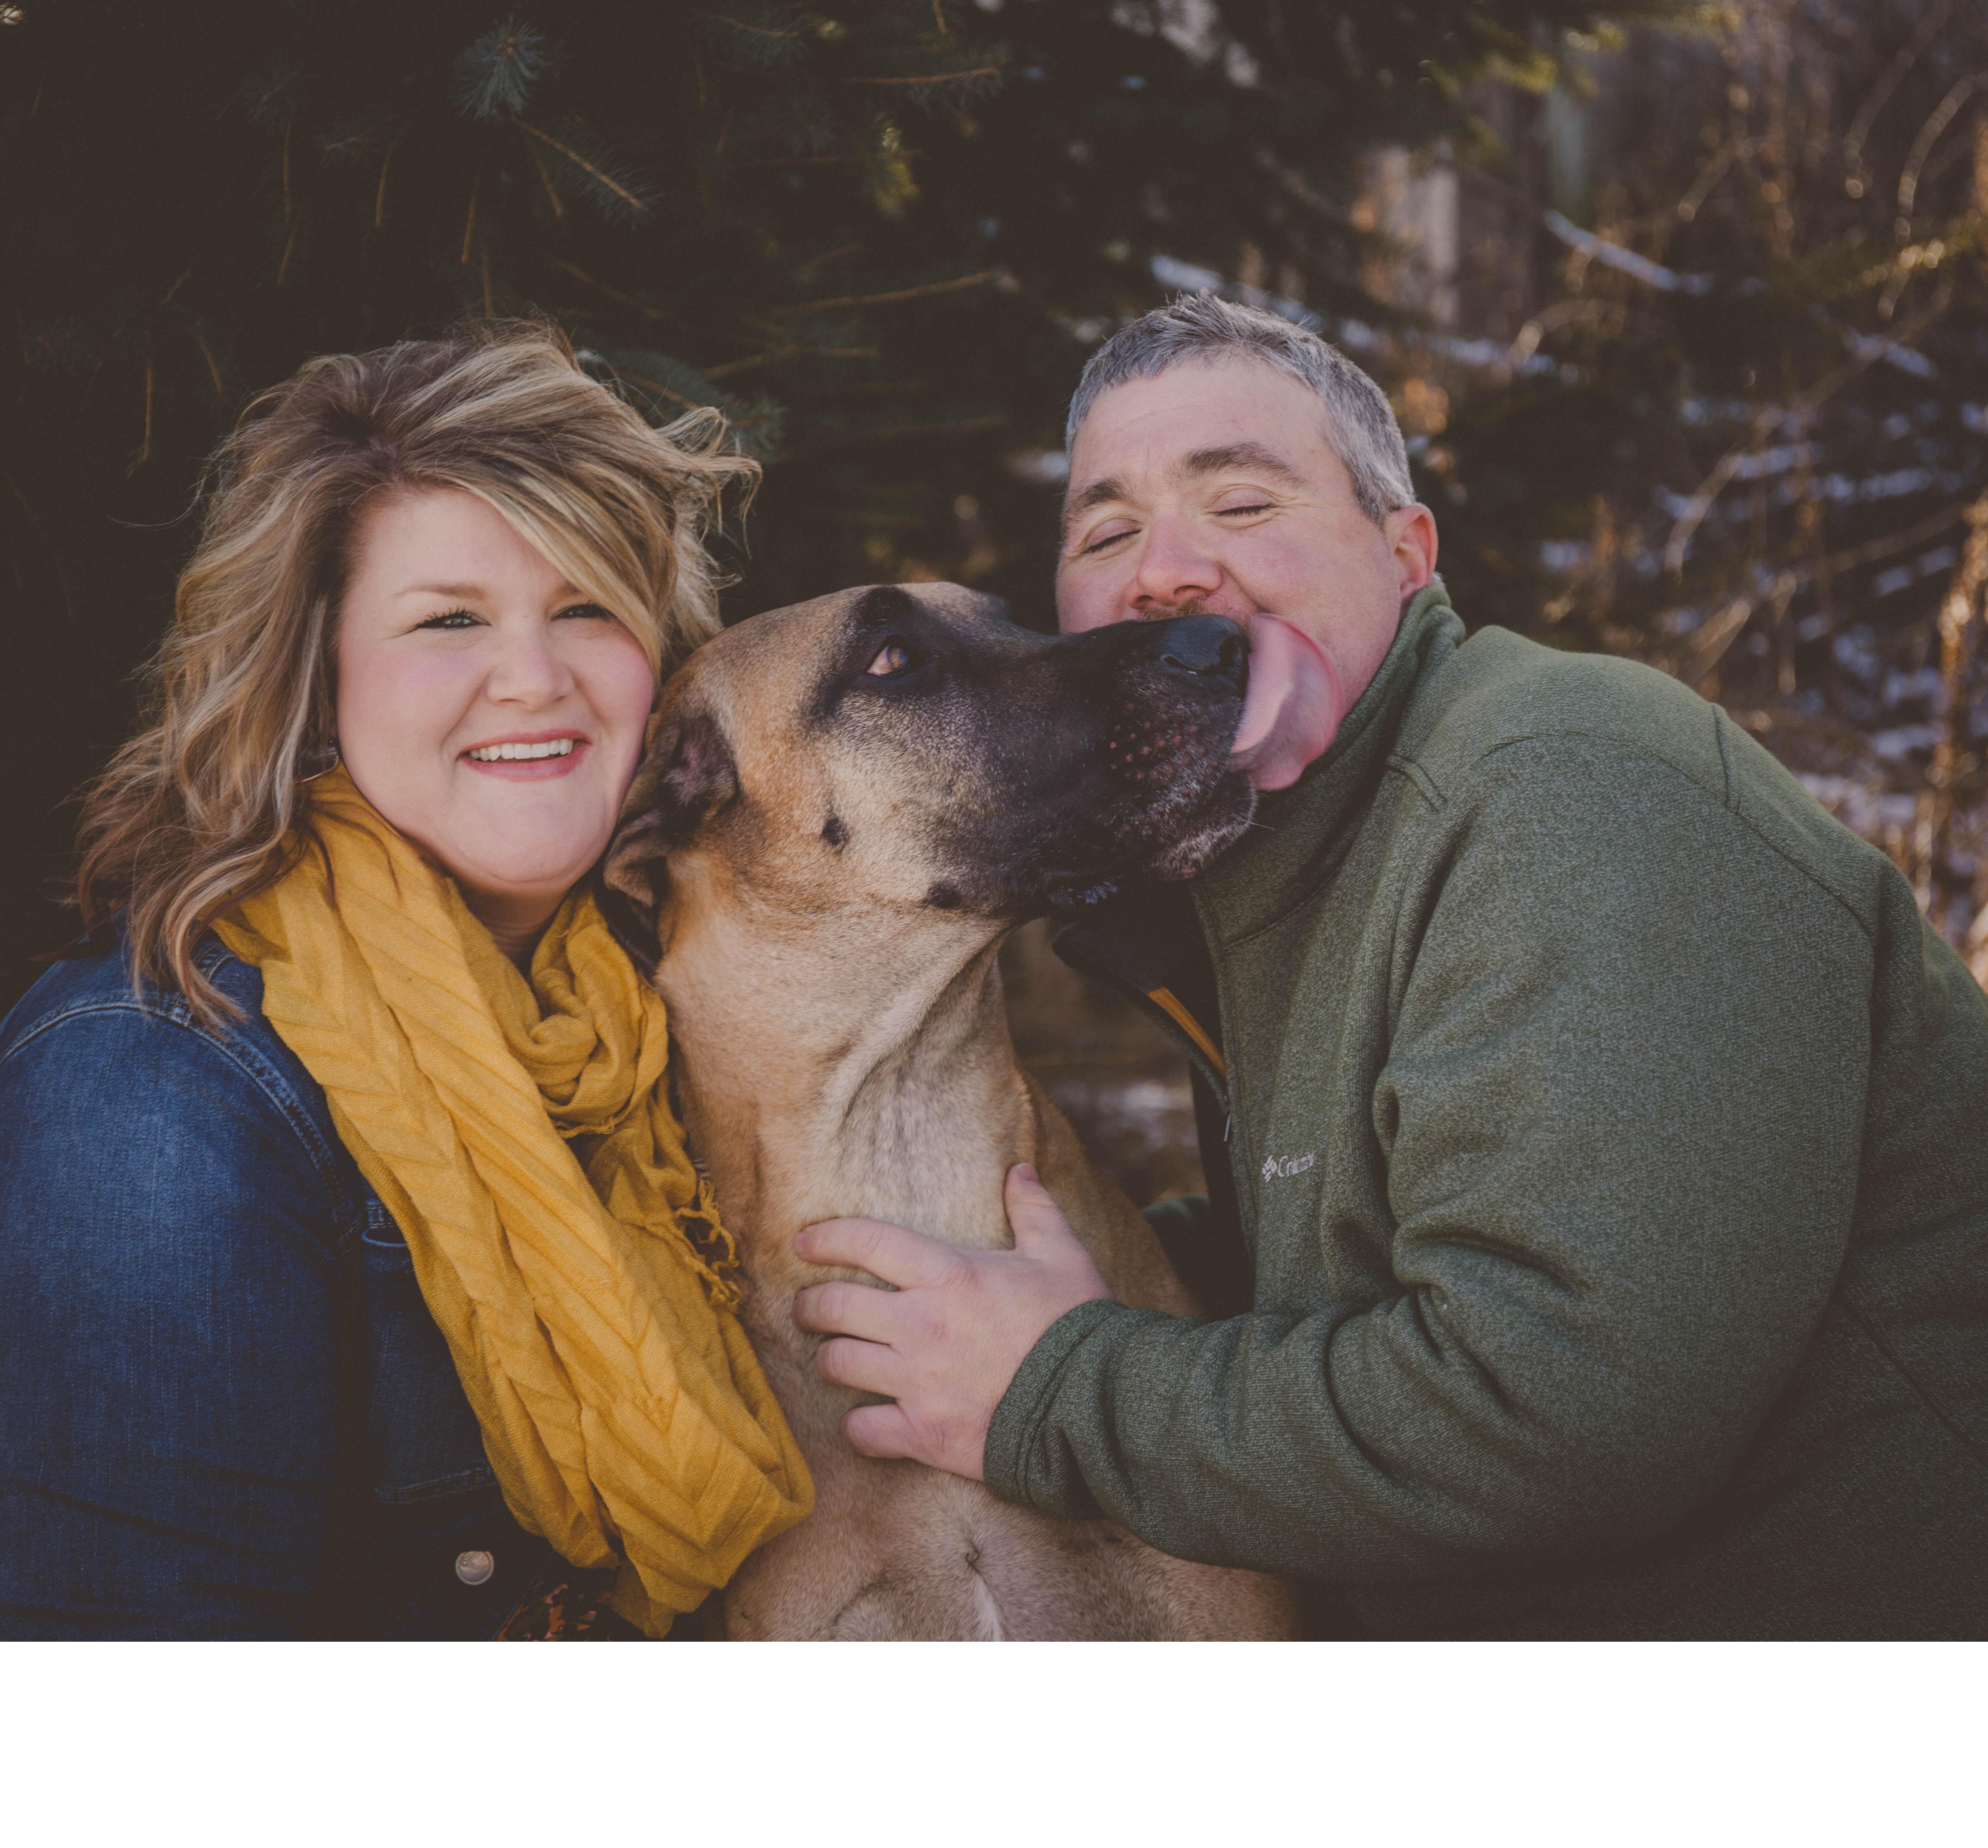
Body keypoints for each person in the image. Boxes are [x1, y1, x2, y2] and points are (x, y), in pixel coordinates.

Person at [793, 291, 1988, 1640]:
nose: (1164, 573)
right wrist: (983, 1289)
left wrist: (1055, 1389)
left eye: (1242, 503)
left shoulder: (1571, 782)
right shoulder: (1276, 868)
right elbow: (1338, 1262)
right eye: (1107, 533)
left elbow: (1559, 1417)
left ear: (1408, 554)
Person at [0, 321, 811, 1640]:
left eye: (586, 607)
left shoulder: (653, 1034)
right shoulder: (141, 1111)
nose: (534, 679)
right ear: (316, 673)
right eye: (449, 620)